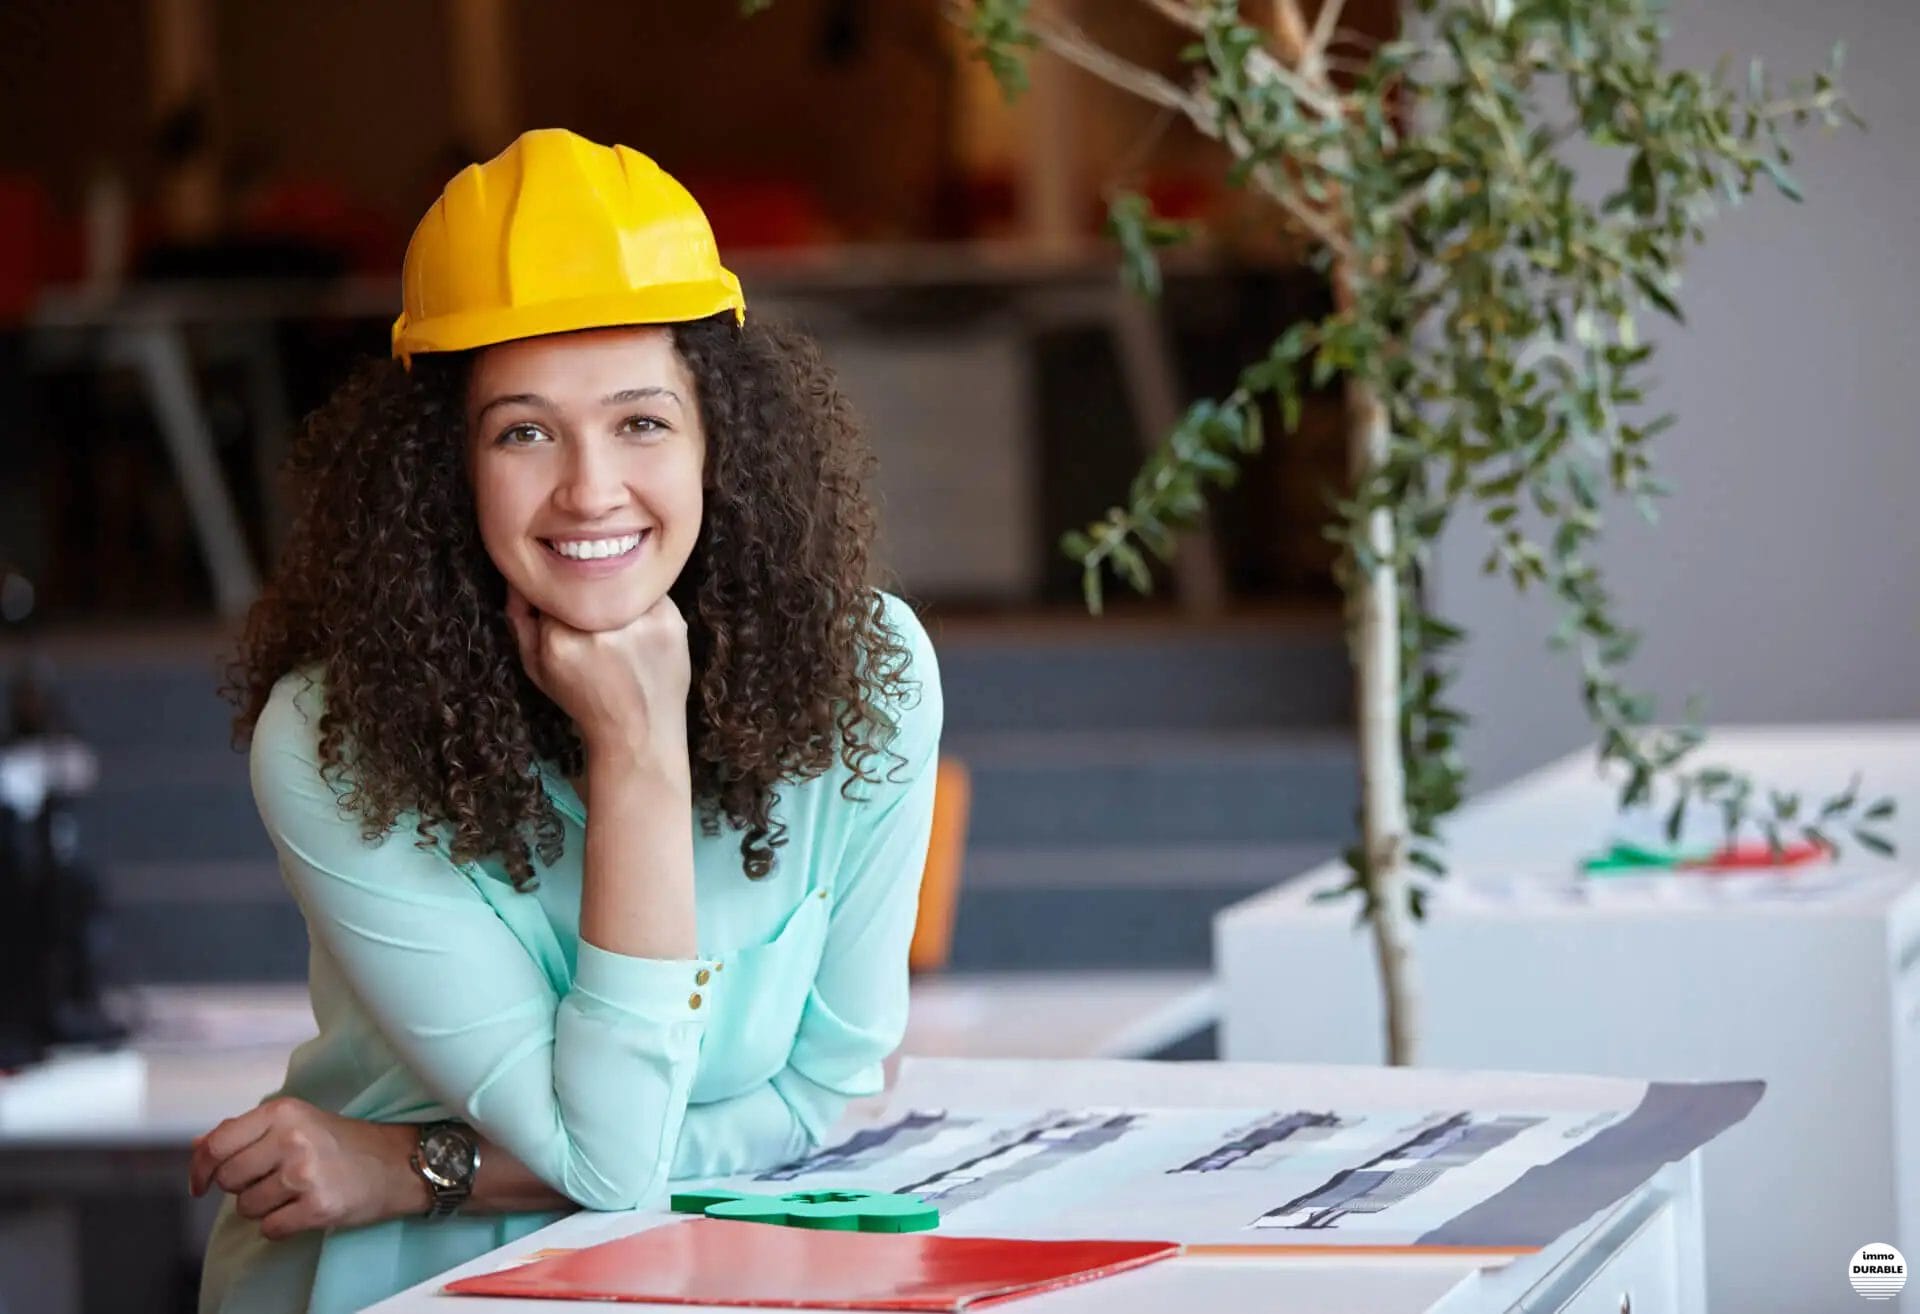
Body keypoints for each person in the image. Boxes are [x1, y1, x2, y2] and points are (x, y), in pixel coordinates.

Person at [192, 128, 942, 1314]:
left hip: (711, 1279)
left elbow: (826, 1097)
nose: (591, 488)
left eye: (641, 421)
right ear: (447, 466)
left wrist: (418, 1167)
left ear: (718, 442)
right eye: (525, 431)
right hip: (411, 1293)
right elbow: (609, 1160)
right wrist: (636, 753)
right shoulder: (333, 739)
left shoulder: (872, 670)